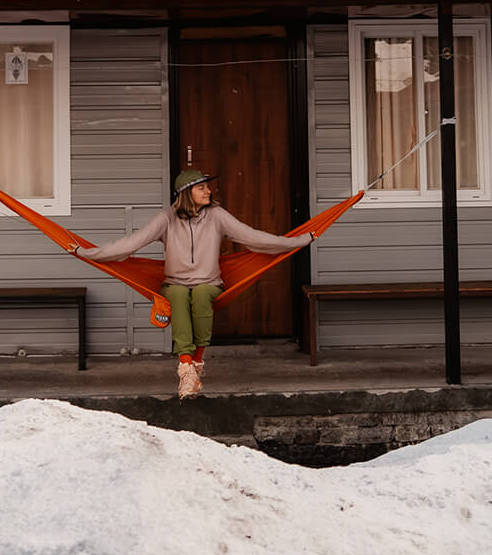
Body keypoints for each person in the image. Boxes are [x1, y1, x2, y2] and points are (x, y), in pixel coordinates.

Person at [68, 169, 315, 400]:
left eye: (208, 188)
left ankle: (194, 365)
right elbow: (131, 244)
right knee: (176, 295)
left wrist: (299, 240)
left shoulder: (217, 215)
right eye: (202, 188)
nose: (209, 191)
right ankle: (187, 369)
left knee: (200, 295)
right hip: (174, 282)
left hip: (209, 282)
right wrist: (87, 253)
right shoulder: (166, 218)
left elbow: (254, 237)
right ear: (187, 192)